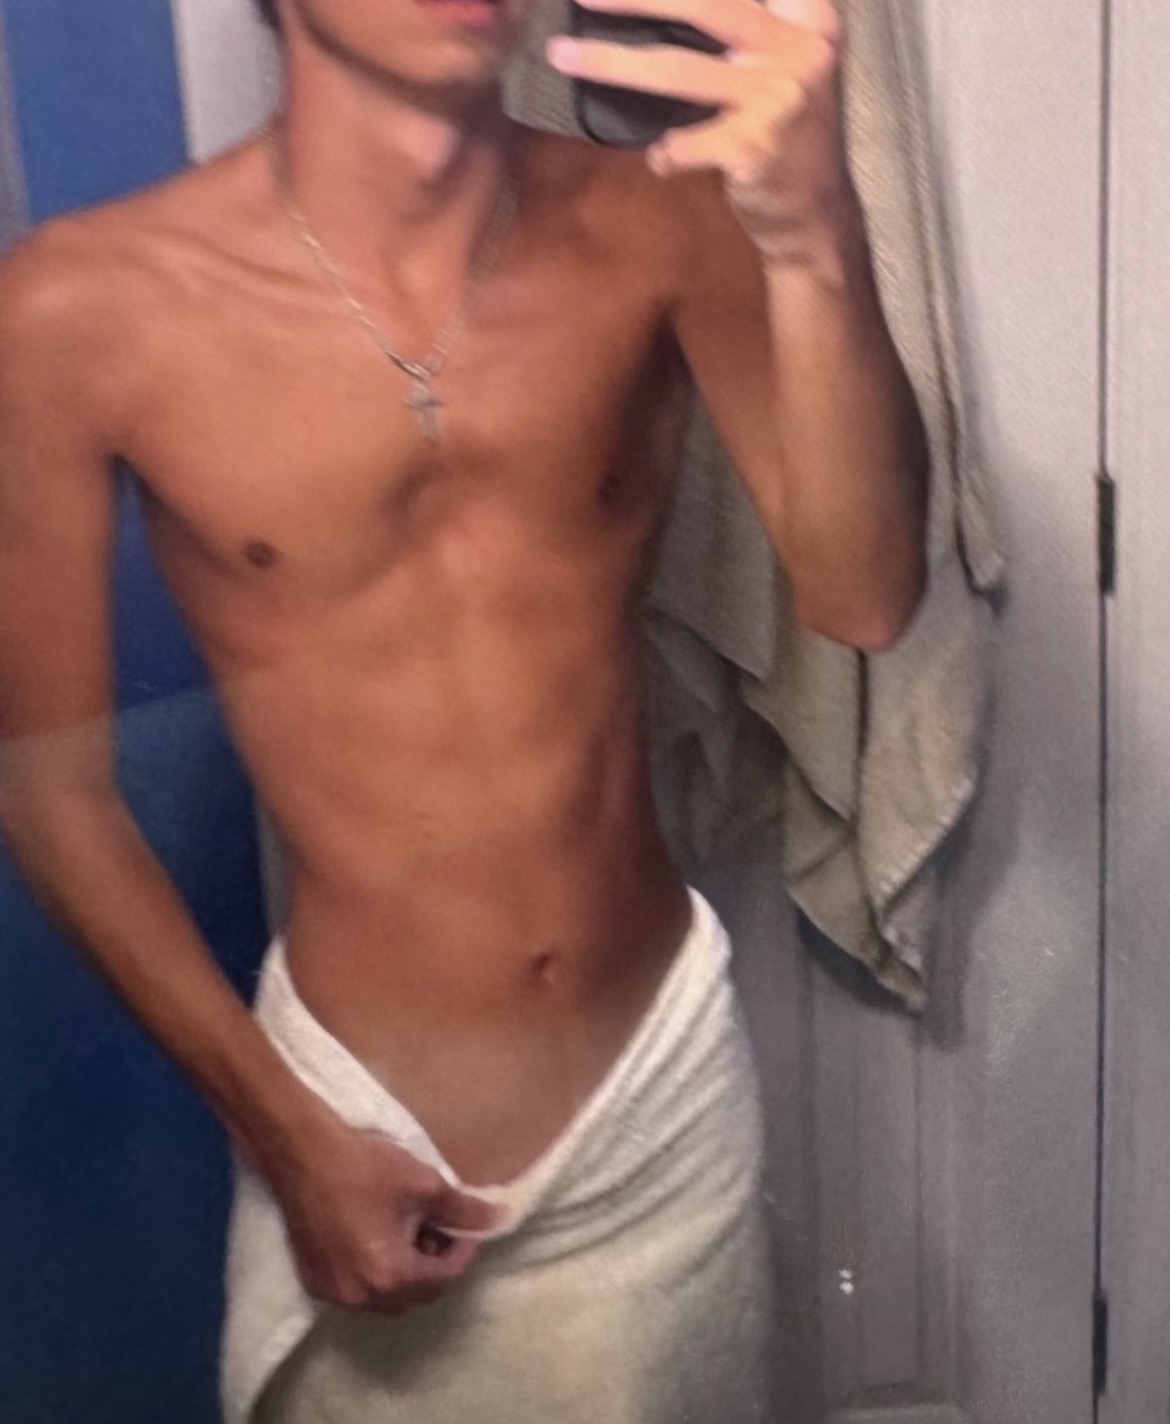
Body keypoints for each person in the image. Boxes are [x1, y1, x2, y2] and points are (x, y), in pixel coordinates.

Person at [0, 0, 928, 1418]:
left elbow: (864, 597)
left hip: (657, 1093)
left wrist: (815, 237)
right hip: (355, 1117)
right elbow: (52, 791)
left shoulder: (661, 221)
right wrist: (282, 1130)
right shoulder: (79, 308)